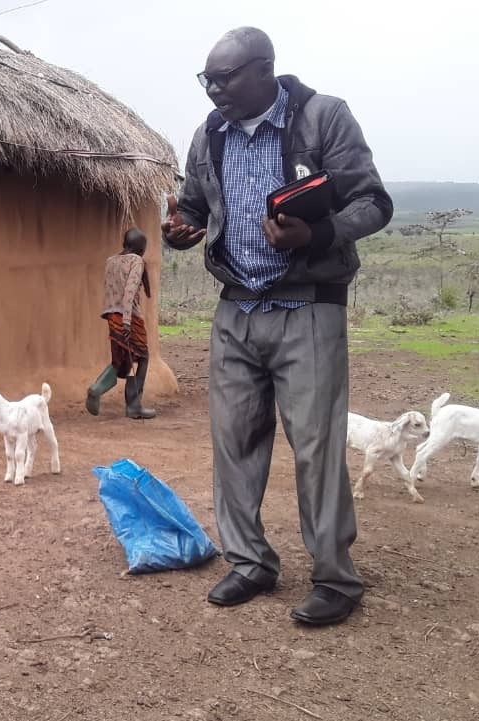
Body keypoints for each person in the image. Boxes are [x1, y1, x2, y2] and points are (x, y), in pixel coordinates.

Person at [163, 27, 392, 625]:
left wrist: (316, 234)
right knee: (233, 442)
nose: (214, 91)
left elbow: (372, 202)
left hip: (307, 305)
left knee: (315, 445)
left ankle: (335, 578)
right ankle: (250, 563)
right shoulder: (208, 134)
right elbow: (193, 205)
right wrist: (181, 228)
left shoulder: (323, 118)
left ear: (265, 70)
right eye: (206, 80)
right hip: (236, 305)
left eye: (225, 78)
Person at [86, 227, 156, 420]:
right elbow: (130, 291)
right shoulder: (136, 260)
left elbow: (110, 290)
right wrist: (127, 321)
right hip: (129, 316)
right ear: (140, 249)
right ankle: (134, 406)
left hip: (111, 315)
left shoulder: (111, 261)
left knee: (121, 361)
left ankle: (96, 389)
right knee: (142, 357)